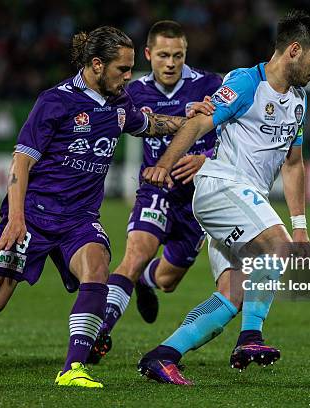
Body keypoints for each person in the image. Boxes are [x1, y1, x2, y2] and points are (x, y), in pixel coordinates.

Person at [0, 26, 212, 389]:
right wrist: (15, 221)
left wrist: (193, 121)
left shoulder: (119, 103)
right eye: (122, 69)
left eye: (130, 69)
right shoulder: (55, 102)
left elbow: (151, 124)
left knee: (97, 266)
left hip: (79, 218)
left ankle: (73, 369)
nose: (129, 77)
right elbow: (20, 163)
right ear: (97, 65)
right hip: (33, 214)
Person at [139, 11, 310, 385]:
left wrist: (302, 227)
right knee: (279, 247)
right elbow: (198, 122)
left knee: (232, 296)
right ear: (294, 50)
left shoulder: (298, 101)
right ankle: (251, 338)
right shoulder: (246, 82)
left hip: (242, 202)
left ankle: (162, 356)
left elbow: (293, 165)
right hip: (221, 187)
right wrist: (164, 164)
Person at [88, 20, 222, 364]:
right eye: (163, 55)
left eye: (178, 55)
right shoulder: (131, 91)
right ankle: (98, 331)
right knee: (134, 256)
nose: (171, 63)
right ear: (148, 54)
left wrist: (204, 159)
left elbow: (233, 137)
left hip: (198, 200)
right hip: (156, 190)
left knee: (167, 280)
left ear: (186, 54)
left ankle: (146, 282)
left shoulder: (211, 86)